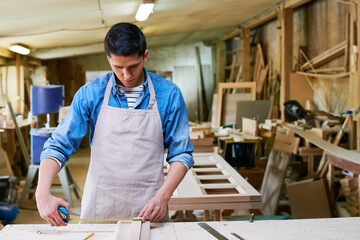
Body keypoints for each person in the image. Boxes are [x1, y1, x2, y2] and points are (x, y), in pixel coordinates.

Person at [35, 22, 194, 226]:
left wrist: (164, 197)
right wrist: (42, 193)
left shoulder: (169, 95)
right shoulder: (91, 94)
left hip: (150, 203)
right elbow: (59, 145)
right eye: (118, 67)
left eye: (133, 66)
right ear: (108, 59)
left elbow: (181, 153)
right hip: (101, 203)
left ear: (145, 56)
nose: (126, 75)